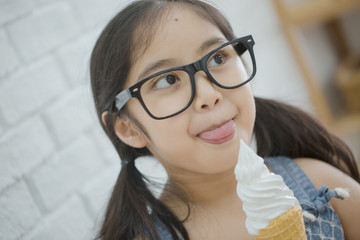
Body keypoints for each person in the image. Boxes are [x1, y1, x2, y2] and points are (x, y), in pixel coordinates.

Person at [90, 0, 360, 239]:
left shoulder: (317, 184)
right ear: (127, 127)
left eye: (218, 57)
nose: (209, 94)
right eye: (167, 80)